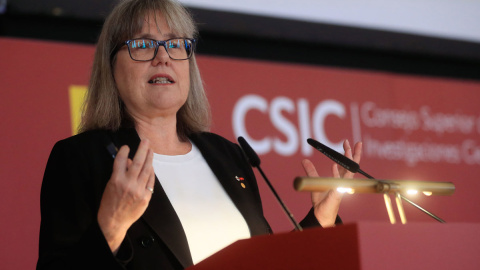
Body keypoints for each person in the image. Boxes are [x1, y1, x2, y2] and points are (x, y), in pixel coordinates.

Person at [37, 0, 362, 269]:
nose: (162, 56)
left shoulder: (229, 157)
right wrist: (111, 228)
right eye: (143, 44)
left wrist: (319, 220)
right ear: (111, 67)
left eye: (176, 44)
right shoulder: (82, 158)